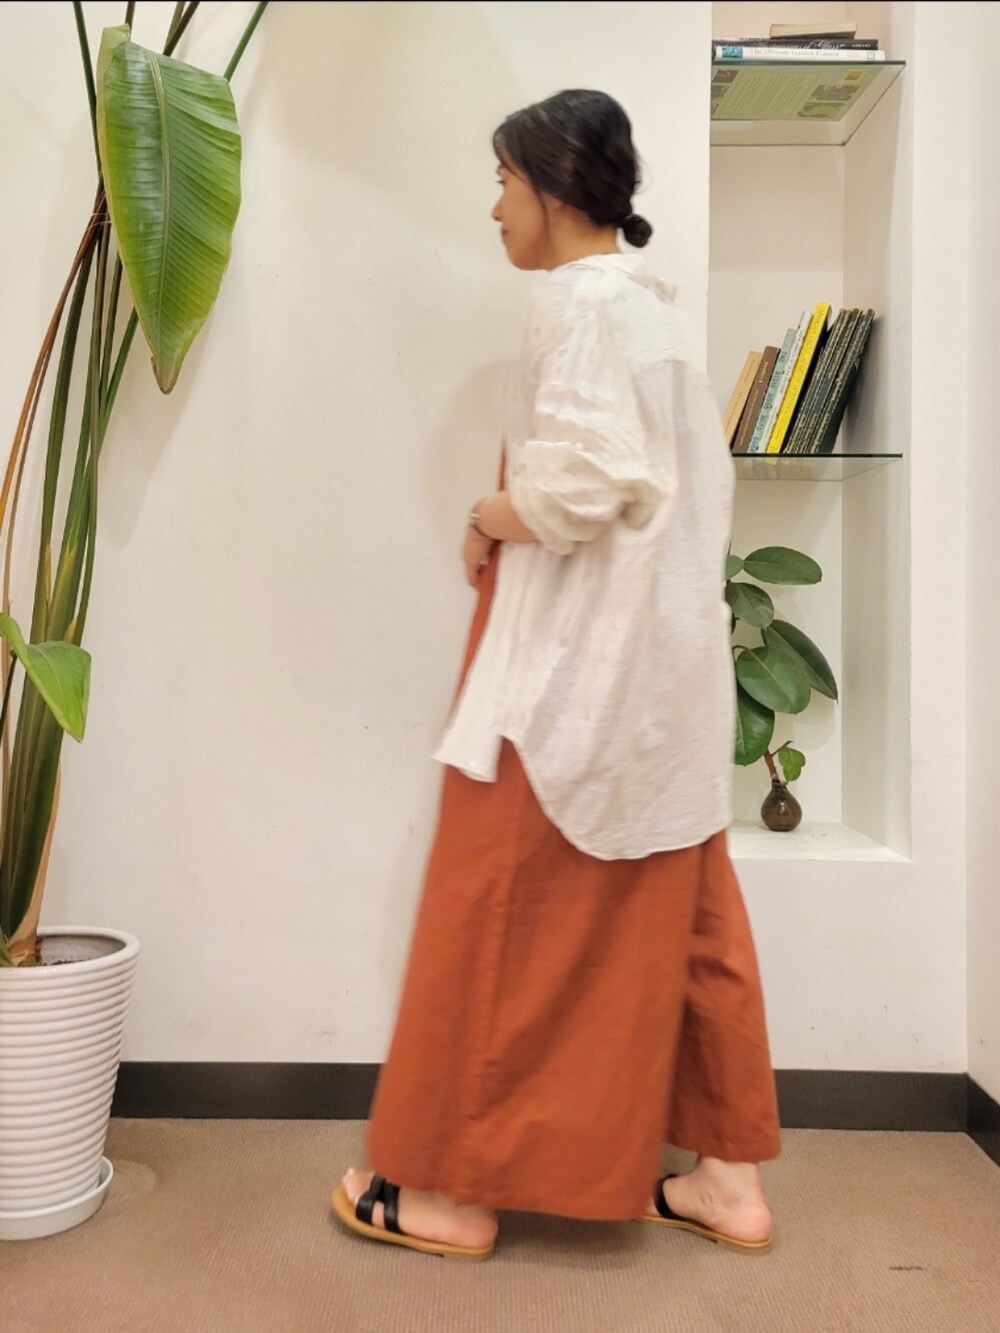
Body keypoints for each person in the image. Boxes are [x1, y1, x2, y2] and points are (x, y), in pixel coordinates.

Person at [331, 89, 781, 1261]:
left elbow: (585, 481)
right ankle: (726, 1179)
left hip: (582, 672)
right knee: (691, 916)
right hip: (672, 681)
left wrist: (490, 510)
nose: (492, 209)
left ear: (552, 187)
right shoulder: (657, 314)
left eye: (501, 182)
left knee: (492, 902)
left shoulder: (574, 304)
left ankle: (449, 1193)